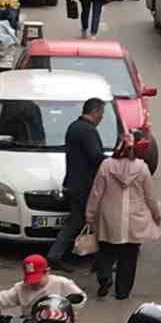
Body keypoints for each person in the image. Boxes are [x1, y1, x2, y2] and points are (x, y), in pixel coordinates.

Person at [84, 136, 161, 301]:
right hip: (133, 220)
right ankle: (122, 292)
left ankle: (105, 277)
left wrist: (90, 214)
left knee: (106, 251)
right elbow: (150, 197)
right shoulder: (142, 168)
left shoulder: (106, 165)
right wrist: (156, 215)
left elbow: (96, 192)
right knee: (129, 257)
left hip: (108, 217)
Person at [46, 97, 108, 268]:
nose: (101, 118)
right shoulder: (88, 131)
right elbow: (95, 156)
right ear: (94, 112)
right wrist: (112, 161)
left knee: (77, 219)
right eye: (101, 114)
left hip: (74, 182)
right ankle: (58, 254)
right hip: (84, 185)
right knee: (81, 220)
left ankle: (62, 254)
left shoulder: (74, 126)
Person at [0, 254, 79, 316]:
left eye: (37, 280)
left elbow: (80, 298)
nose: (34, 283)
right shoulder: (21, 288)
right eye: (31, 280)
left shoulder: (62, 283)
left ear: (47, 272)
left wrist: (69, 309)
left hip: (59, 322)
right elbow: (4, 298)